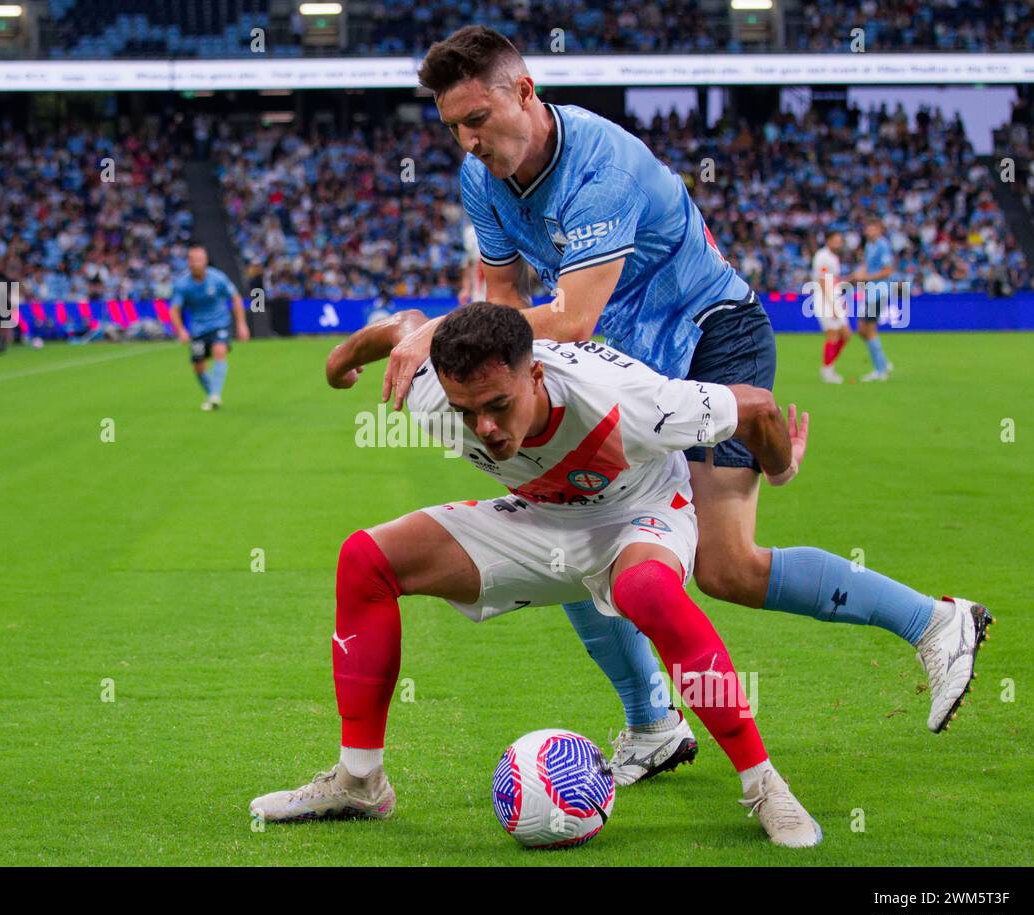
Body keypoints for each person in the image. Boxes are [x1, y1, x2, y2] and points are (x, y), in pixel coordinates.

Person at [380, 27, 990, 784]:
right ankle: (654, 727)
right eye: (452, 128)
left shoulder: (600, 166)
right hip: (628, 358)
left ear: (525, 93)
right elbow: (502, 298)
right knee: (562, 513)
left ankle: (935, 621)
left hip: (711, 335)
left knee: (726, 567)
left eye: (477, 119)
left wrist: (433, 329)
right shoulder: (484, 179)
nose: (468, 141)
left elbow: (568, 319)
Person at [252, 303, 823, 847]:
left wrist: (780, 469)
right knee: (366, 558)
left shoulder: (633, 405)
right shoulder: (429, 389)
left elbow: (756, 407)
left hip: (640, 516)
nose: (486, 428)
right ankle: (359, 783)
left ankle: (764, 785)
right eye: (465, 411)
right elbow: (406, 326)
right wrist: (339, 361)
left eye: (499, 406)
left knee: (644, 588)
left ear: (537, 376)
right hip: (544, 517)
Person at [168, 245, 250, 411]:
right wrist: (181, 330)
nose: (196, 263)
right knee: (198, 365)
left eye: (200, 259)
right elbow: (174, 310)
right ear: (188, 262)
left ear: (205, 261)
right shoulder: (182, 285)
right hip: (198, 331)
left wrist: (242, 324)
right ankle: (212, 394)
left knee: (219, 350)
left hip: (219, 324)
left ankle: (214, 396)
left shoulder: (218, 278)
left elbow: (235, 298)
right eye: (193, 260)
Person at [848, 218, 896, 382]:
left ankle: (880, 370)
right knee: (862, 330)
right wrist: (859, 275)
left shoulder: (883, 245)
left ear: (880, 230)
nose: (870, 232)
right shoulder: (869, 246)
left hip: (878, 291)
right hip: (869, 292)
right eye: (868, 229)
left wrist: (867, 277)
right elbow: (866, 265)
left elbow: (887, 270)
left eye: (874, 229)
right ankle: (882, 364)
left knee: (868, 329)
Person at [810, 232, 849, 383]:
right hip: (824, 298)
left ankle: (828, 366)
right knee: (832, 334)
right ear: (828, 241)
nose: (838, 244)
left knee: (846, 334)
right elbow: (823, 281)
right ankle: (827, 371)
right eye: (835, 241)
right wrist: (831, 304)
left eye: (840, 241)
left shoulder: (833, 257)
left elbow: (834, 280)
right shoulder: (822, 256)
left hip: (834, 297)